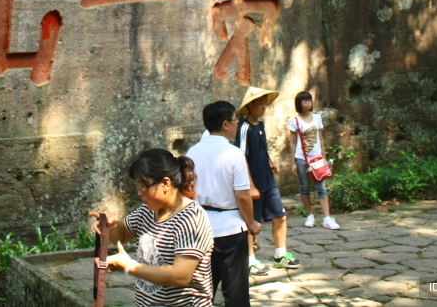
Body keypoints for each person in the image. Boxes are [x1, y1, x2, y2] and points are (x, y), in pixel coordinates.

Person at [92, 149, 214, 307]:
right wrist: (110, 227)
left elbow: (180, 276)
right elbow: (121, 236)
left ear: (165, 183)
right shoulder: (149, 211)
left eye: (143, 187)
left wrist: (130, 266)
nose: (139, 193)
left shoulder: (192, 218)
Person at [186, 101, 261, 307]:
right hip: (230, 228)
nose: (238, 124)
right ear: (226, 124)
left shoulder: (192, 152)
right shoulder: (234, 154)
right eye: (236, 120)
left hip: (200, 227)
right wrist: (251, 223)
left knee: (201, 289)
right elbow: (244, 196)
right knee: (235, 290)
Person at [234, 86, 300, 275]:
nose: (263, 107)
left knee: (280, 215)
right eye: (259, 104)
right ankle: (249, 260)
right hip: (253, 184)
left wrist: (270, 163)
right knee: (251, 223)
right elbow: (241, 157)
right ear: (250, 106)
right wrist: (250, 185)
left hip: (268, 181)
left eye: (264, 103)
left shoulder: (260, 125)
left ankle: (280, 254)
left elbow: (261, 149)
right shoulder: (244, 128)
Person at [287, 90, 339, 230]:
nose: (307, 103)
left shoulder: (317, 118)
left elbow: (320, 138)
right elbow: (292, 142)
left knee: (321, 187)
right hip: (302, 158)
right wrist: (293, 163)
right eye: (304, 101)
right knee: (304, 188)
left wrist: (324, 157)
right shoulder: (294, 121)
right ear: (299, 103)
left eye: (309, 100)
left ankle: (327, 218)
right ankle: (310, 216)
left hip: (317, 159)